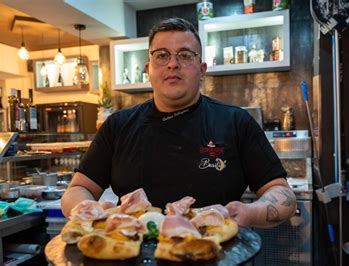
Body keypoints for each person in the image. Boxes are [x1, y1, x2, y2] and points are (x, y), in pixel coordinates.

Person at [61, 17, 296, 228]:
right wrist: (89, 210)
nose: (172, 64)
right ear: (148, 69)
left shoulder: (236, 122)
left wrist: (251, 212)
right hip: (132, 253)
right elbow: (78, 189)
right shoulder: (117, 126)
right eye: (162, 55)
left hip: (217, 253)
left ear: (202, 70)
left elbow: (282, 193)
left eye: (184, 55)